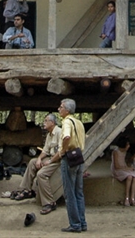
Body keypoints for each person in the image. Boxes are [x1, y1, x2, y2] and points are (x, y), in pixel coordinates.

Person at [14, 113, 63, 215]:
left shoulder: (59, 132)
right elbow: (45, 150)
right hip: (50, 157)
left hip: (58, 160)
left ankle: (49, 202)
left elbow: (60, 152)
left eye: (46, 121)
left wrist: (50, 161)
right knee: (32, 162)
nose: (43, 123)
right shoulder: (49, 134)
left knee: (41, 174)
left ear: (52, 123)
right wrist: (39, 159)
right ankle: (25, 190)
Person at [58, 98, 86, 233]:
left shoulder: (67, 122)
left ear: (67, 110)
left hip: (69, 158)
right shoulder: (79, 123)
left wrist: (63, 150)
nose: (59, 109)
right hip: (79, 157)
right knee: (79, 192)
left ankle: (75, 224)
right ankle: (82, 222)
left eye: (61, 107)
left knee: (69, 193)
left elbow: (66, 137)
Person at [111, 135, 135, 207]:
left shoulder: (125, 152)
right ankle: (126, 198)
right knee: (129, 176)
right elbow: (116, 166)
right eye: (127, 144)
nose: (129, 146)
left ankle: (132, 198)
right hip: (118, 170)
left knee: (134, 177)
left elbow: (124, 162)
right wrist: (127, 169)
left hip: (124, 168)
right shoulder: (116, 152)